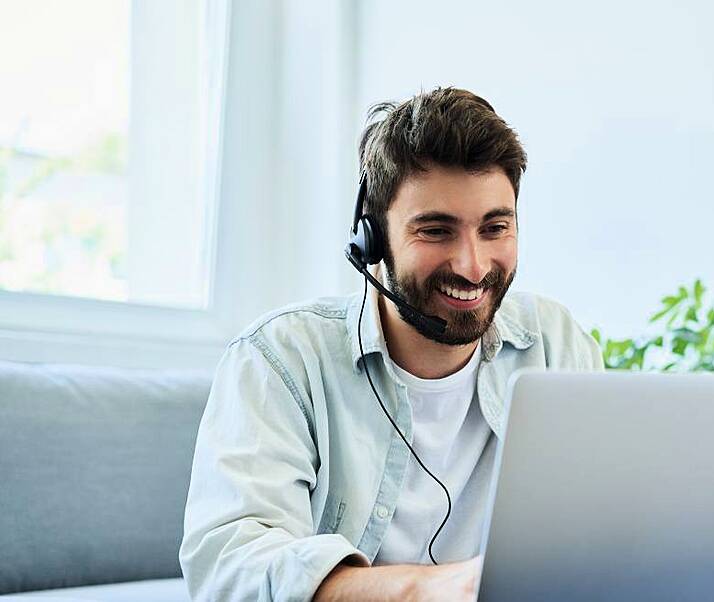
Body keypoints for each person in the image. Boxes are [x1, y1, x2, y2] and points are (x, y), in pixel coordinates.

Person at [179, 87, 604, 601]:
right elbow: (232, 566)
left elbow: (600, 530)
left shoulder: (555, 344)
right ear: (372, 237)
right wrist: (431, 590)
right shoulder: (280, 358)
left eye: (495, 227)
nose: (473, 266)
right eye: (436, 231)